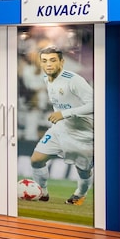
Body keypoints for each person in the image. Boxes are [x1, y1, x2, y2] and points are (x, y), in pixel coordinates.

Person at [29, 46, 94, 205]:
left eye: (52, 60)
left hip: (83, 134)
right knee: (36, 160)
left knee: (83, 171)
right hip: (60, 129)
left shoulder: (73, 80)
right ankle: (42, 192)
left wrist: (64, 114)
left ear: (62, 62)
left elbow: (94, 104)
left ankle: (80, 194)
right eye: (44, 61)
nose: (48, 64)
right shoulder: (46, 78)